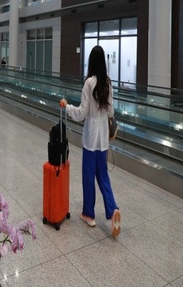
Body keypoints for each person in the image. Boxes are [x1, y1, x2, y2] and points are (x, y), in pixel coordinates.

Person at [60, 45, 121, 238]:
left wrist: (67, 106)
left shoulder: (89, 83)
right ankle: (112, 209)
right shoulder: (107, 83)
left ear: (91, 62)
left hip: (90, 137)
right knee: (102, 175)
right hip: (103, 138)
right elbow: (110, 112)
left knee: (88, 175)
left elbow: (81, 113)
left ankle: (89, 214)